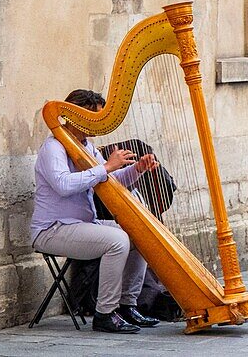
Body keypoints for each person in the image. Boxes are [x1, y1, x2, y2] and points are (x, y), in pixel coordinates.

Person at [31, 88, 161, 334]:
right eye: (94, 118)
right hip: (53, 230)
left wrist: (137, 170)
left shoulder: (85, 146)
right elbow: (64, 185)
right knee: (118, 240)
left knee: (142, 233)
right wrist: (107, 166)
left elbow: (106, 181)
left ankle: (127, 305)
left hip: (83, 226)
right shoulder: (53, 148)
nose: (98, 125)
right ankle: (105, 314)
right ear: (76, 116)